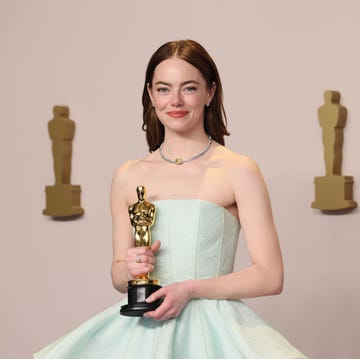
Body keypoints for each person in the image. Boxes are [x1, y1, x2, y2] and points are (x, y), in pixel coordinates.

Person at [34, 39, 307, 358]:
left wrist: (191, 289)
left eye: (189, 88)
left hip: (214, 331)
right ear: (150, 94)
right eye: (164, 89)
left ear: (210, 93)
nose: (175, 100)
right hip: (140, 333)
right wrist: (131, 268)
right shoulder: (128, 175)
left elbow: (270, 275)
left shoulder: (238, 170)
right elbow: (119, 274)